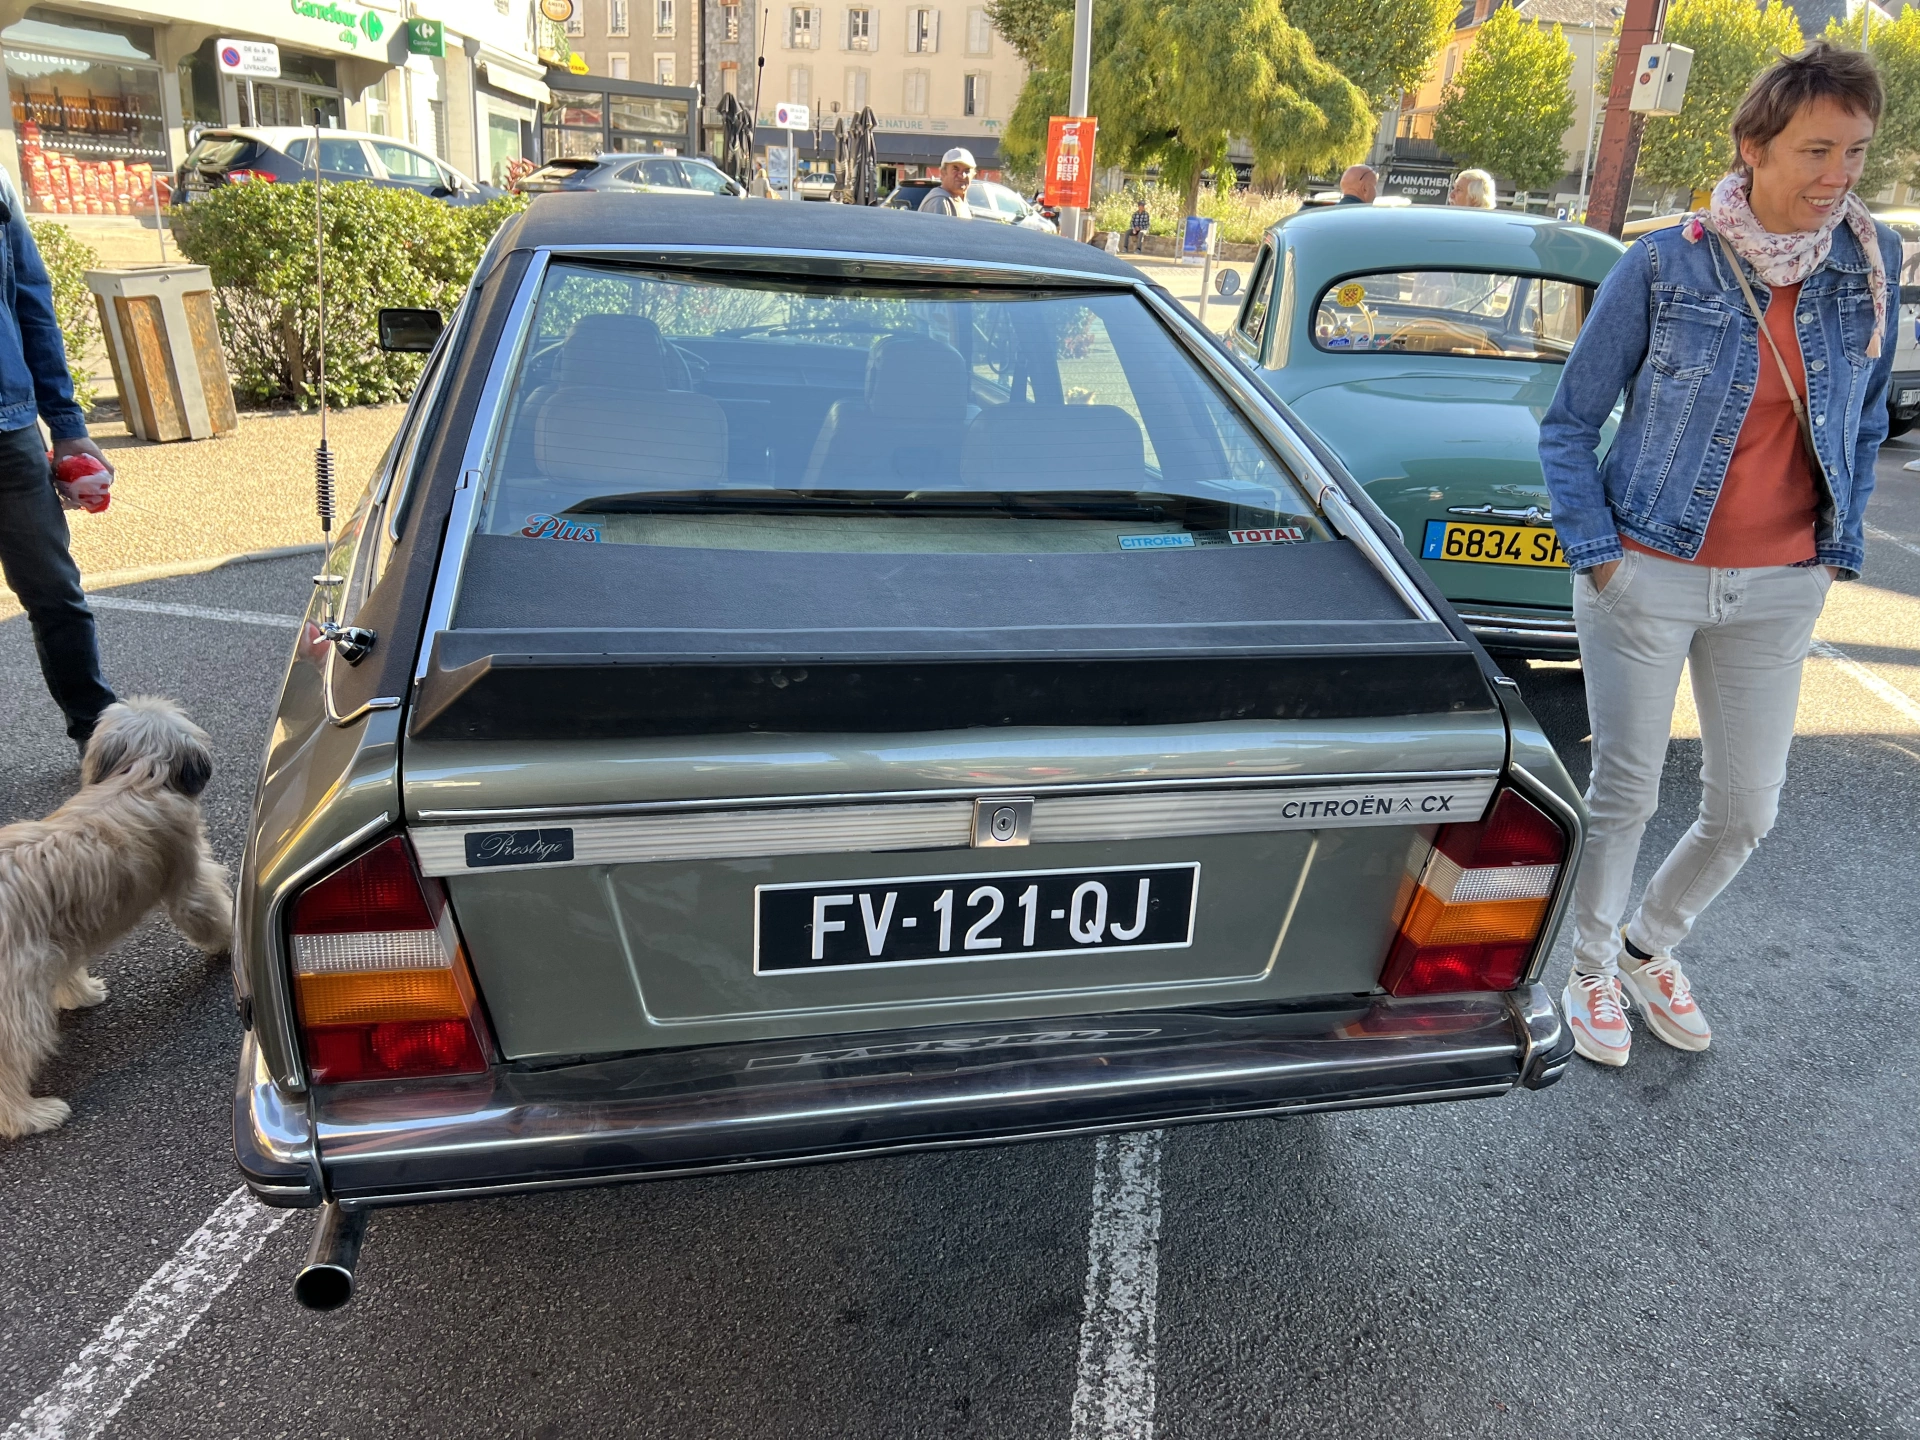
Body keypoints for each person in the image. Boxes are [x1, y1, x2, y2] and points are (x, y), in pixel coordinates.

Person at [1537, 41, 1898, 1068]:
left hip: (1782, 584)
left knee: (1747, 809)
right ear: (1752, 147)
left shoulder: (1872, 264)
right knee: (1628, 791)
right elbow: (1570, 423)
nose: (1838, 177)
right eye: (1817, 151)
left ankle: (1653, 942)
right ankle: (1592, 964)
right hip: (1648, 571)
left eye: (1856, 154)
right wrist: (1600, 556)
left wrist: (1837, 548)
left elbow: (1865, 421)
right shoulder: (1663, 260)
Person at [0, 164, 116, 757]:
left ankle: (98, 736)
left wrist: (67, 428)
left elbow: (31, 302)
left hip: (7, 427)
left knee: (55, 592)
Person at [918, 148, 975, 218]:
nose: (962, 176)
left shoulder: (958, 201)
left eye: (967, 171)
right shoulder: (940, 201)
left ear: (973, 175)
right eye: (955, 169)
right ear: (943, 173)